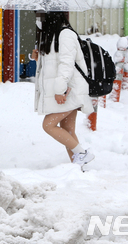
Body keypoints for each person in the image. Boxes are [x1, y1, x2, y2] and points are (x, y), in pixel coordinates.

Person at [30, 11, 95, 166]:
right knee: (68, 131)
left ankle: (83, 154)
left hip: (69, 91)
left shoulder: (65, 34)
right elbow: (53, 65)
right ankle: (79, 167)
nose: (39, 21)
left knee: (48, 125)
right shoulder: (53, 36)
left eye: (40, 17)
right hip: (66, 90)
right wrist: (38, 59)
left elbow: (66, 65)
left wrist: (60, 90)